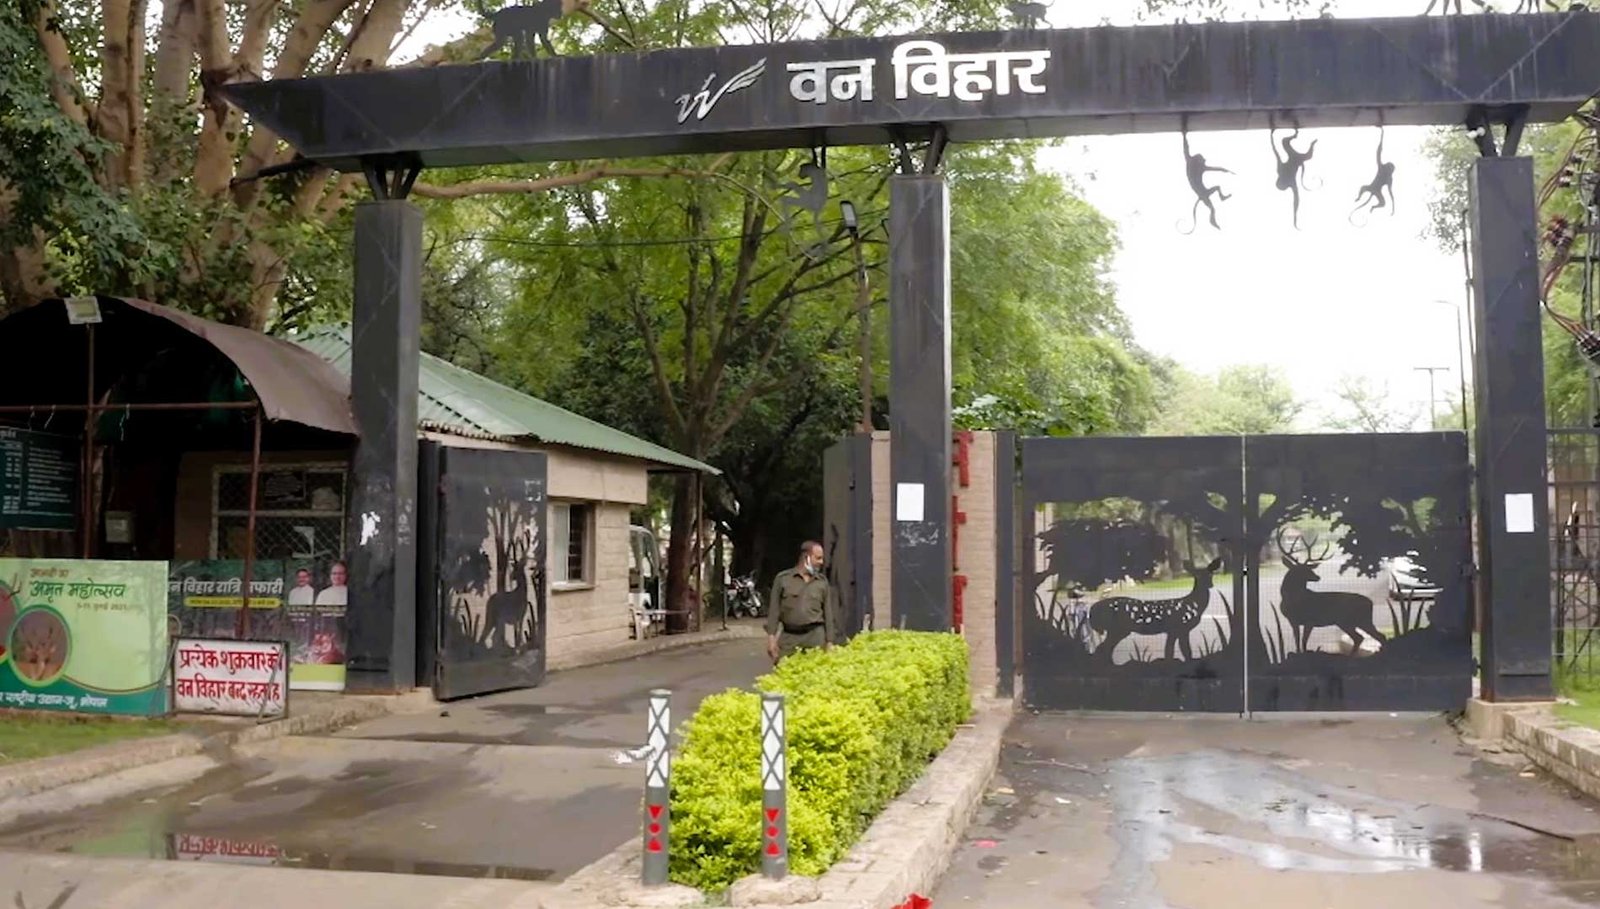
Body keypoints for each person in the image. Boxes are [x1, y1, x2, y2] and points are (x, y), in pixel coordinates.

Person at [765, 540, 834, 663]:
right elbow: (774, 611)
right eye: (818, 558)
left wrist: (830, 642)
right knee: (784, 672)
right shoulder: (783, 579)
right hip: (790, 637)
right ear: (806, 557)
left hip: (815, 637)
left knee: (816, 675)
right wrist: (771, 638)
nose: (821, 562)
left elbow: (828, 614)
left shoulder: (822, 582)